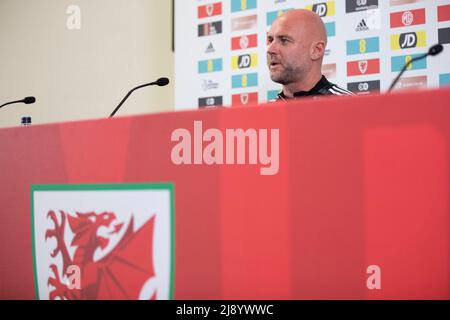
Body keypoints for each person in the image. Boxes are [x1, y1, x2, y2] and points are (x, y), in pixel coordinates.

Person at [267, 9, 354, 100]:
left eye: (284, 40)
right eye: (270, 40)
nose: (270, 49)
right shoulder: (265, 112)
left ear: (316, 50)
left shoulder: (350, 106)